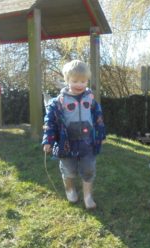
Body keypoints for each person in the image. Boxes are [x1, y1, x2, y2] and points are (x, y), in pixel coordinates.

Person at [42, 60, 105, 209]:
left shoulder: (90, 99)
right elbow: (49, 122)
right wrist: (48, 140)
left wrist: (101, 135)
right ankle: (70, 190)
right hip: (66, 142)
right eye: (75, 81)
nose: (79, 84)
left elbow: (99, 118)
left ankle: (88, 196)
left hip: (87, 142)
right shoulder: (59, 102)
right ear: (67, 79)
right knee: (68, 169)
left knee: (89, 169)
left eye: (83, 81)